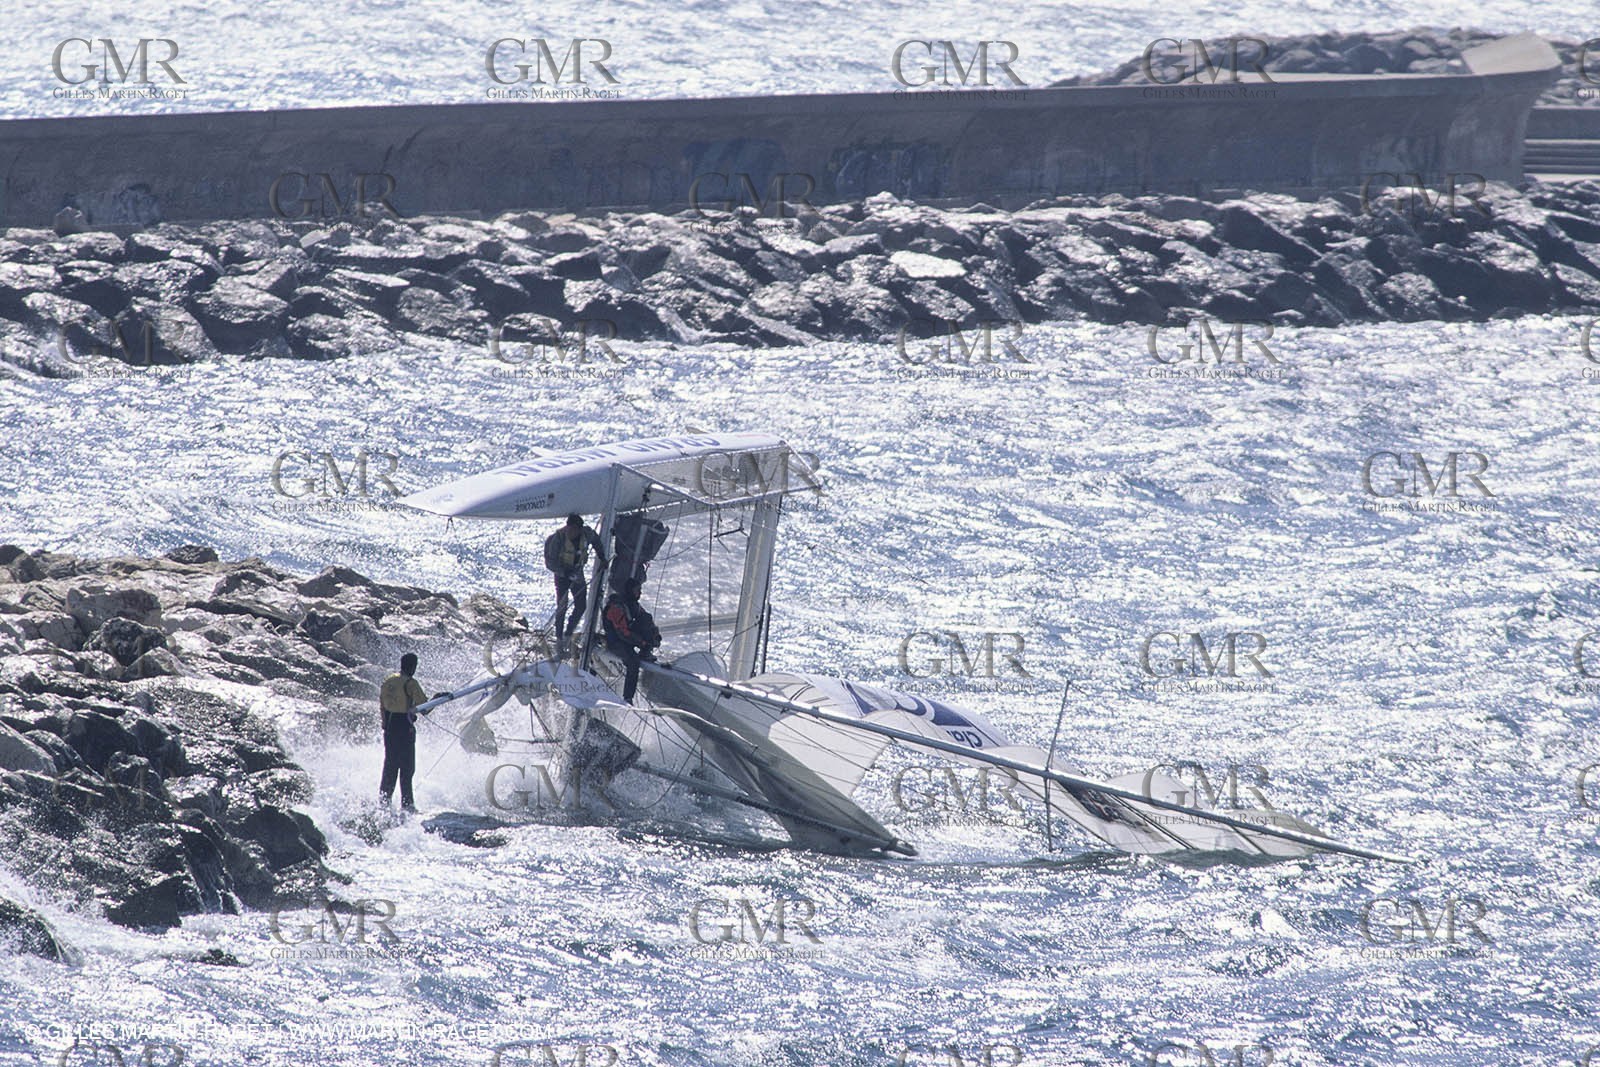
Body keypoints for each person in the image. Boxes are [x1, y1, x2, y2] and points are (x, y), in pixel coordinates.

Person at [379, 651, 437, 813]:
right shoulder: (411, 683)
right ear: (412, 666)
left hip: (389, 728)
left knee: (390, 766)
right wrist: (437, 698)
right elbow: (425, 709)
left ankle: (384, 803)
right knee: (407, 768)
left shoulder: (388, 680)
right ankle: (407, 805)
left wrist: (384, 725)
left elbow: (382, 705)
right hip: (404, 729)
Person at [544, 513, 607, 649]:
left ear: (579, 529)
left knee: (581, 605)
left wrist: (602, 557)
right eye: (569, 528)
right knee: (562, 607)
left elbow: (596, 541)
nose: (570, 532)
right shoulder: (558, 539)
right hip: (562, 575)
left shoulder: (587, 534)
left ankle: (568, 634)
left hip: (578, 572)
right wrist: (565, 573)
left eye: (573, 529)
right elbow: (550, 563)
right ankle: (559, 639)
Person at [602, 577, 661, 703]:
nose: (640, 593)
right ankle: (627, 698)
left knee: (646, 618)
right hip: (616, 642)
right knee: (633, 662)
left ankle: (646, 653)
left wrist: (654, 636)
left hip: (627, 640)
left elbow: (646, 620)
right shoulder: (616, 607)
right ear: (629, 591)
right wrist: (641, 642)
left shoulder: (633, 605)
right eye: (637, 590)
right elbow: (623, 632)